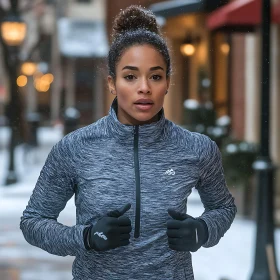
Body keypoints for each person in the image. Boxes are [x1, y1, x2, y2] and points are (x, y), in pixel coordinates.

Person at [20, 5, 237, 280]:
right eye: (130, 76)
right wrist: (86, 237)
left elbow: (223, 207)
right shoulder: (76, 148)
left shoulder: (196, 148)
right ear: (112, 83)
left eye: (155, 76)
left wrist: (203, 230)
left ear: (168, 83)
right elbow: (33, 222)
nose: (144, 87)